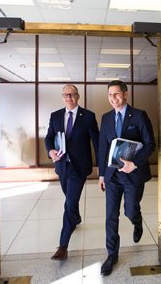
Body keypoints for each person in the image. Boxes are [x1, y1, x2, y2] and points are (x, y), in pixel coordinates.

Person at [98, 80, 156, 276]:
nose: (113, 98)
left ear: (125, 94)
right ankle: (111, 255)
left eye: (116, 94)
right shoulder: (106, 118)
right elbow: (103, 148)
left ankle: (137, 221)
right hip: (112, 175)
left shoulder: (139, 116)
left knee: (130, 210)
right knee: (110, 216)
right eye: (110, 95)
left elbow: (150, 145)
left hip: (133, 174)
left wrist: (135, 163)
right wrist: (101, 175)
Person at [45, 84, 99, 261]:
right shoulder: (55, 116)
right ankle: (75, 218)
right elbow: (49, 137)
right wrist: (50, 151)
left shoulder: (88, 117)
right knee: (70, 199)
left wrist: (103, 170)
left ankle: (63, 246)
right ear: (62, 97)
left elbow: (97, 143)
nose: (69, 97)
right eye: (65, 95)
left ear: (78, 96)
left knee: (69, 203)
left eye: (72, 94)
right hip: (62, 167)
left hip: (79, 168)